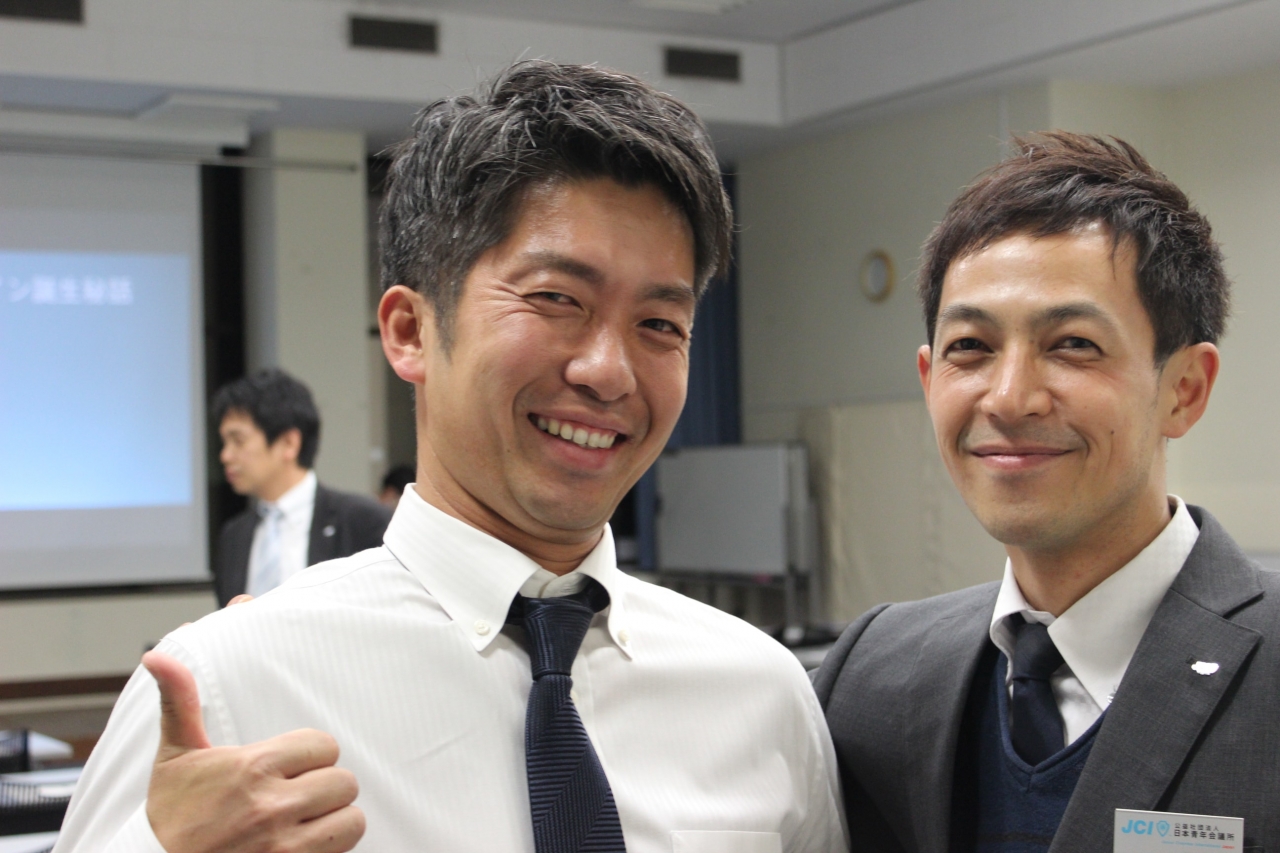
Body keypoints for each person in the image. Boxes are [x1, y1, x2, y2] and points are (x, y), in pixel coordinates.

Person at [55, 62, 846, 853]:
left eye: (660, 324)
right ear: (409, 331)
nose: (609, 371)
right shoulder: (235, 690)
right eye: (556, 298)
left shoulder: (760, 692)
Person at [814, 132, 1280, 851]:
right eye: (971, 347)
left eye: (1073, 345)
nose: (1009, 398)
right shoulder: (873, 676)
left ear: (1184, 389)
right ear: (930, 379)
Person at [210, 369, 392, 607]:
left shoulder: (363, 521)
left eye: (238, 441)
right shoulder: (234, 536)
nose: (225, 455)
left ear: (289, 443)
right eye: (224, 442)